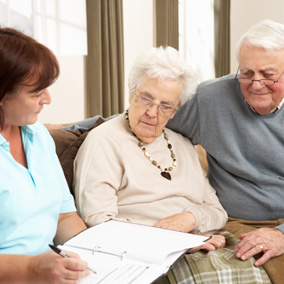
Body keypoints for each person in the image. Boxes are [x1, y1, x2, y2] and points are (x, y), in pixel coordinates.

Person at [166, 19, 284, 283]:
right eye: (246, 72)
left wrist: (282, 235)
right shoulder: (210, 98)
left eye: (268, 74)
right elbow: (149, 115)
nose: (255, 84)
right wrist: (69, 128)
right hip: (235, 221)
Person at [73, 46, 227, 245]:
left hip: (196, 241)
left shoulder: (183, 144)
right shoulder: (104, 141)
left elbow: (218, 212)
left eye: (165, 106)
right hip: (140, 250)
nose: (152, 113)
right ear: (131, 96)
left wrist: (190, 219)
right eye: (146, 99)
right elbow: (97, 220)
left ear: (175, 111)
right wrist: (171, 241)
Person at [0, 27, 91, 283]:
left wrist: (98, 254)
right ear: (2, 95)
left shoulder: (37, 135)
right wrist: (30, 269)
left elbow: (64, 217)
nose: (48, 100)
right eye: (37, 93)